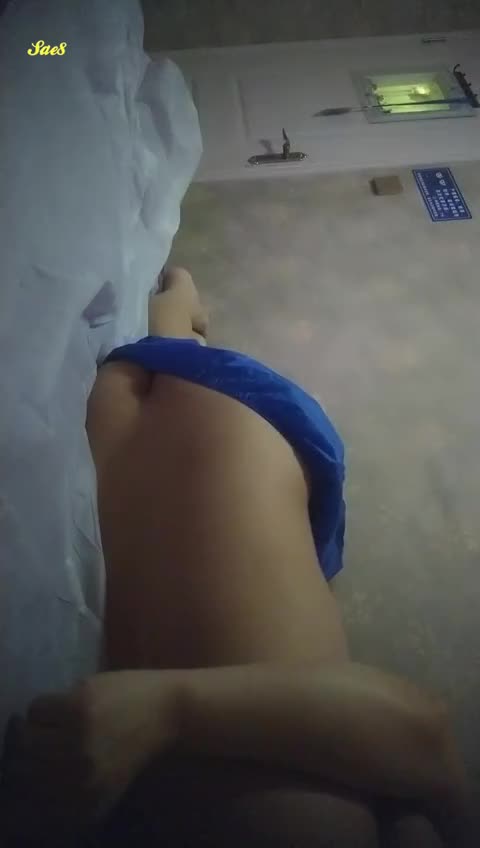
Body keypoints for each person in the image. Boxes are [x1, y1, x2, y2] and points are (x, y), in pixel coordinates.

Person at [2, 268, 473, 847]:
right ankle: (181, 300)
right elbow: (425, 738)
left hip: (181, 432)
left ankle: (181, 301)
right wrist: (170, 710)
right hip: (203, 431)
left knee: (170, 354)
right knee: (175, 357)